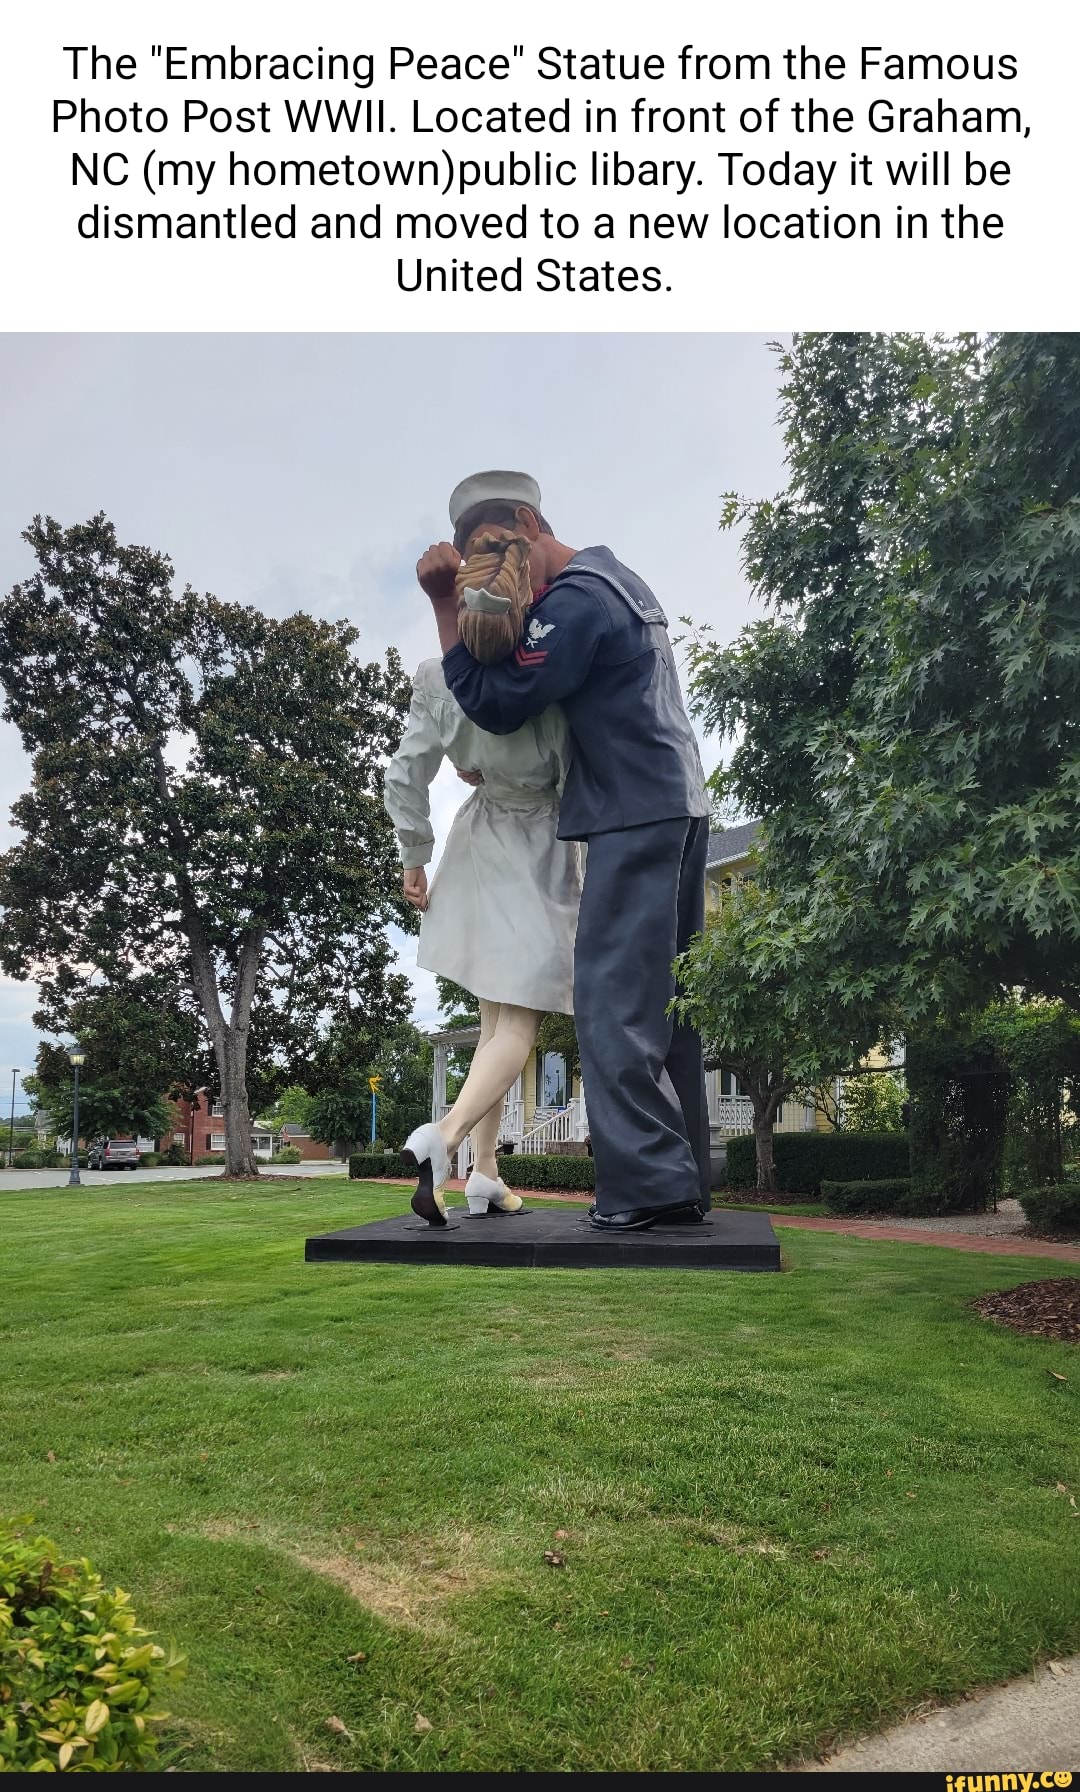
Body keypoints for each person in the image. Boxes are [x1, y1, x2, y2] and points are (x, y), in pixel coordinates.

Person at [417, 470, 711, 1232]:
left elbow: (498, 698)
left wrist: (447, 608)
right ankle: (679, 1181)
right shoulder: (619, 580)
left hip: (632, 813)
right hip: (671, 801)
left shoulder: (578, 598)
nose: (502, 588)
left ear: (527, 521)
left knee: (612, 1001)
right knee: (665, 1005)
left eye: (496, 556)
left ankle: (646, 1189)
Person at [384, 526, 583, 1225]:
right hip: (539, 847)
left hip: (478, 840)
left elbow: (405, 771)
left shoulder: (440, 679)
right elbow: (576, 772)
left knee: (495, 1016)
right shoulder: (550, 677)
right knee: (516, 1027)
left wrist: (413, 852)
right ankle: (442, 1140)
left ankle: (486, 1175)